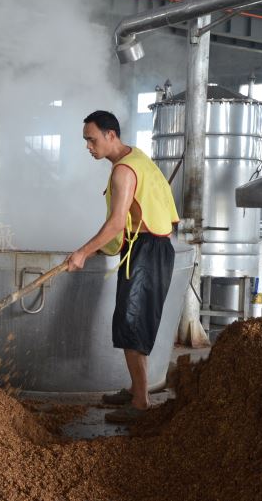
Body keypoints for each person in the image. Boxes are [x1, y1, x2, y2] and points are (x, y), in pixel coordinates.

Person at [65, 110, 179, 424]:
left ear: (111, 135)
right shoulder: (135, 156)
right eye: (86, 140)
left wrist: (83, 253)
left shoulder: (123, 171)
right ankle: (135, 389)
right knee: (130, 321)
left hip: (147, 251)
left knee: (133, 325)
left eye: (92, 139)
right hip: (148, 247)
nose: (89, 146)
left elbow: (117, 223)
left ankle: (141, 403)